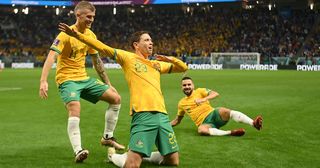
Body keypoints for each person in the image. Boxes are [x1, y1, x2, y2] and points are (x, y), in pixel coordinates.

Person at [58, 23, 188, 167]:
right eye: (146, 40)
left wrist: (170, 59)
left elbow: (183, 68)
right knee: (131, 165)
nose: (151, 42)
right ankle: (114, 156)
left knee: (173, 161)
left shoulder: (157, 65)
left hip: (162, 115)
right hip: (143, 114)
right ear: (136, 45)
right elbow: (101, 47)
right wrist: (76, 35)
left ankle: (140, 156)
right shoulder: (128, 58)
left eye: (151, 40)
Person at [39, 1, 124, 163]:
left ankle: (107, 136)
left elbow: (97, 61)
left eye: (93, 17)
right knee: (74, 107)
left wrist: (108, 83)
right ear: (78, 15)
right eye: (89, 17)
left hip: (84, 79)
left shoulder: (90, 35)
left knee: (116, 98)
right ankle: (78, 150)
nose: (92, 20)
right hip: (67, 80)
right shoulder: (65, 34)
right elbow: (51, 56)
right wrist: (43, 80)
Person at [171, 76, 263, 136]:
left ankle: (253, 123)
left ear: (193, 85)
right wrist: (164, 125)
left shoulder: (199, 91)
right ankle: (231, 133)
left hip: (213, 114)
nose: (187, 87)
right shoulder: (181, 103)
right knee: (201, 130)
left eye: (189, 84)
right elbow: (177, 121)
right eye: (184, 85)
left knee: (225, 110)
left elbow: (215, 93)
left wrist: (204, 99)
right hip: (205, 123)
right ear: (181, 87)